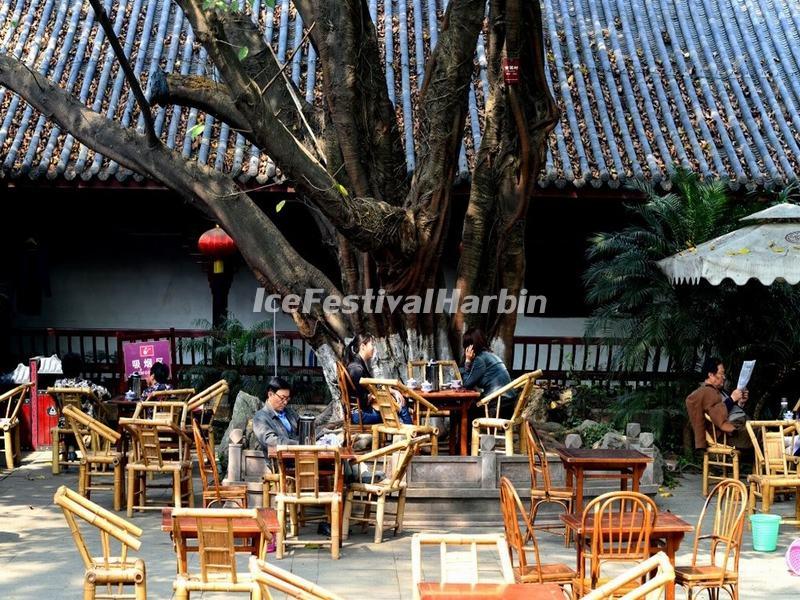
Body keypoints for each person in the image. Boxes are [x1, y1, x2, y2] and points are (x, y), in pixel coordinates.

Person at [346, 333, 411, 425]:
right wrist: (372, 396)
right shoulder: (356, 369)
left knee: (399, 402)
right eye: (372, 344)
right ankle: (413, 433)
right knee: (400, 406)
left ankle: (410, 433)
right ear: (363, 346)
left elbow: (374, 386)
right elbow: (362, 399)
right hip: (359, 415)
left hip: (360, 413)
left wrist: (393, 392)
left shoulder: (358, 365)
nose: (374, 348)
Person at [685, 357, 746, 451]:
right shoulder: (704, 391)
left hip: (740, 424)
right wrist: (732, 399)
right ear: (711, 375)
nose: (724, 377)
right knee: (763, 435)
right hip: (728, 433)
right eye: (721, 373)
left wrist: (740, 403)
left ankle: (764, 464)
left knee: (766, 433)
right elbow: (716, 413)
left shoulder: (719, 391)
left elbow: (727, 410)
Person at [460, 328, 513, 415]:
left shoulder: (480, 359)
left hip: (499, 404)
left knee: (464, 410)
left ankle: (461, 429)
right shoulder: (490, 355)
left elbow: (467, 384)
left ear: (470, 347)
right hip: (507, 401)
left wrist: (467, 361)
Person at [253, 376, 300, 455]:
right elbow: (271, 441)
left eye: (287, 399)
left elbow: (303, 427)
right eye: (282, 398)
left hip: (298, 455)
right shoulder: (260, 418)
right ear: (270, 394)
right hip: (279, 460)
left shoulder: (289, 412)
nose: (285, 402)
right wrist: (299, 444)